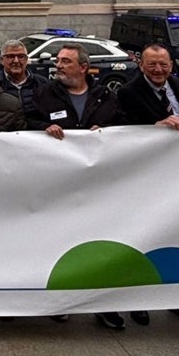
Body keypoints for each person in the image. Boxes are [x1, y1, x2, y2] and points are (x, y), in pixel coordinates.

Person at [31, 43, 125, 330]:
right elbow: (28, 121)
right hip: (59, 186)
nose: (58, 66)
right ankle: (61, 301)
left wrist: (106, 132)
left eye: (66, 62)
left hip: (99, 187)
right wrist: (43, 128)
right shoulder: (45, 93)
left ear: (83, 67)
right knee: (61, 243)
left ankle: (104, 305)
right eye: (58, 61)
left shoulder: (104, 96)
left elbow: (123, 126)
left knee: (100, 246)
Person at [115, 44, 179, 329]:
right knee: (142, 239)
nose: (158, 70)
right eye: (152, 65)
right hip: (146, 178)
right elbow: (123, 129)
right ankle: (138, 302)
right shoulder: (127, 93)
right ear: (141, 65)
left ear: (171, 66)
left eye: (163, 65)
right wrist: (153, 128)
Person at [0, 39, 48, 123]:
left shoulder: (42, 83)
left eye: (20, 56)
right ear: (2, 60)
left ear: (26, 59)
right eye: (10, 56)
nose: (16, 61)